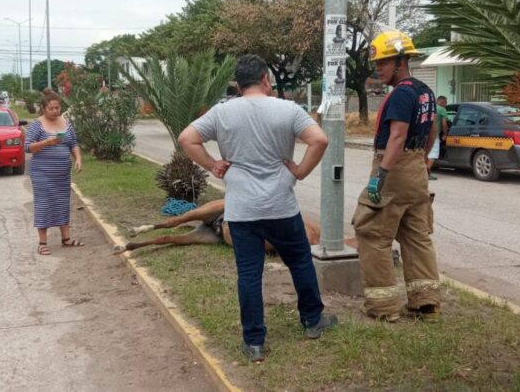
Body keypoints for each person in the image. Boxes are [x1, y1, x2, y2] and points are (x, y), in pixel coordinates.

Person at [178, 54, 337, 363]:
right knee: (301, 262)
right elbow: (319, 139)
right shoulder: (288, 109)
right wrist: (300, 171)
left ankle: (254, 343)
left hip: (242, 210)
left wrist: (213, 164)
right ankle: (313, 321)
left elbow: (187, 138)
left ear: (238, 85)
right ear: (266, 79)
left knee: (249, 274)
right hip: (281, 205)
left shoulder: (222, 112)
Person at [351, 30, 441, 322]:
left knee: (372, 234)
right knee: (416, 236)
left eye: (384, 63)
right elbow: (433, 130)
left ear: (401, 61)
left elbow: (397, 137)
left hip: (395, 169)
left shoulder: (401, 93)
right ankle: (425, 303)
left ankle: (383, 307)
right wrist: (423, 158)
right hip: (416, 170)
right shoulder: (425, 91)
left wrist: (382, 175)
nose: (378, 70)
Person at [24, 88, 83, 255]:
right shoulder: (37, 125)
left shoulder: (66, 124)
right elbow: (27, 147)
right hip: (42, 174)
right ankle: (42, 242)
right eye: (51, 108)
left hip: (62, 174)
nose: (55, 111)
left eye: (57, 108)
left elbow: (73, 144)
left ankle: (66, 238)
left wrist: (78, 158)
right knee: (44, 205)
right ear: (44, 108)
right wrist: (47, 142)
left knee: (63, 204)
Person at [426, 95, 449, 180]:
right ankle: (427, 173)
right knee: (433, 154)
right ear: (441, 101)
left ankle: (421, 173)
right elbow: (444, 124)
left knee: (425, 153)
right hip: (434, 135)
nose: (446, 104)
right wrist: (445, 134)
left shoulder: (429, 107)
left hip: (424, 134)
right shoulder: (442, 110)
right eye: (445, 102)